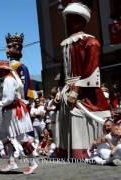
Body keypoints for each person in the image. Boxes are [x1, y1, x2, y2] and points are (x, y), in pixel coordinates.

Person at [57, 2, 111, 159]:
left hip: (84, 91)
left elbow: (92, 70)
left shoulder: (90, 42)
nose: (69, 22)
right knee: (68, 120)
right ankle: (68, 151)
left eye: (73, 19)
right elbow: (63, 71)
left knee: (80, 116)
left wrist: (76, 89)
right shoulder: (66, 43)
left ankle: (86, 151)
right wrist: (60, 88)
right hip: (68, 89)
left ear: (81, 21)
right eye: (68, 19)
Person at [0, 60, 37, 174]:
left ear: (4, 70)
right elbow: (11, 96)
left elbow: (9, 98)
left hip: (14, 110)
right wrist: (0, 102)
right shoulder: (11, 78)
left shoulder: (8, 79)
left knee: (21, 138)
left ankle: (33, 163)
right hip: (11, 110)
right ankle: (12, 162)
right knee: (3, 135)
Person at [6, 33, 34, 101]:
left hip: (20, 102)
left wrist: (27, 100)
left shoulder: (22, 67)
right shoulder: (7, 67)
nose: (6, 50)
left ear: (17, 48)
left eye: (9, 47)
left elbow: (27, 86)